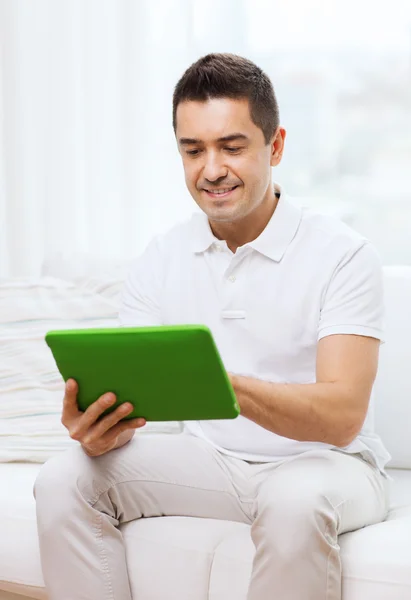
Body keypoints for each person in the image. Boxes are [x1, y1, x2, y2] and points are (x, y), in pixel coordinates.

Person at [34, 53, 390, 600]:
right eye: (192, 149)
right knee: (64, 479)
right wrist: (104, 423)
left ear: (275, 146)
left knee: (293, 503)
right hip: (211, 462)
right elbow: (139, 404)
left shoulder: (342, 254)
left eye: (231, 146)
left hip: (328, 465)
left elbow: (342, 419)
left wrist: (222, 386)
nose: (211, 169)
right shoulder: (163, 255)